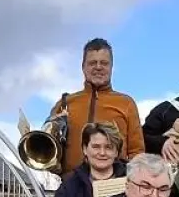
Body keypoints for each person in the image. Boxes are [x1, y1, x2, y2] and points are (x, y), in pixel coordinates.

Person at [48, 37, 145, 173]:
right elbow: (49, 149)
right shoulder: (64, 103)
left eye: (104, 63)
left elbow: (137, 152)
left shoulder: (126, 103)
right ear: (83, 67)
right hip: (71, 187)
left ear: (111, 67)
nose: (98, 67)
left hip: (113, 187)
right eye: (92, 63)